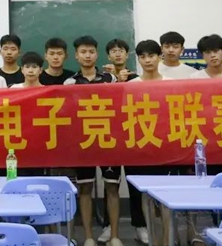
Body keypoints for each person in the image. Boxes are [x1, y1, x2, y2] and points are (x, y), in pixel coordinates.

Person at [63, 36, 121, 246]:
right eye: (83, 52)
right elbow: (68, 113)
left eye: (91, 52)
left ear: (97, 54)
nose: (87, 56)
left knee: (112, 188)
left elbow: (120, 106)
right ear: (76, 56)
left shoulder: (110, 79)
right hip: (83, 142)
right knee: (85, 189)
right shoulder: (69, 83)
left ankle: (114, 236)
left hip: (108, 140)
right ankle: (88, 236)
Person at [119, 41, 171, 246]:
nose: (147, 60)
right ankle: (151, 237)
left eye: (151, 56)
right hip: (138, 147)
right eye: (143, 57)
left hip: (165, 148)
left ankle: (167, 239)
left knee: (164, 195)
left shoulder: (171, 84)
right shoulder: (130, 86)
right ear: (138, 60)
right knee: (142, 194)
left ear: (160, 57)